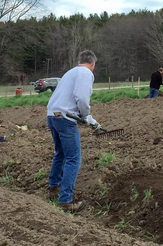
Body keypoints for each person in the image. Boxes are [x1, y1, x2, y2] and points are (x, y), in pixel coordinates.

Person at [46, 50, 99, 213]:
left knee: (60, 153)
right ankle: (65, 201)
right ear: (93, 63)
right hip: (64, 119)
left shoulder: (70, 72)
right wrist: (86, 116)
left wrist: (84, 117)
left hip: (52, 116)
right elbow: (81, 97)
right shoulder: (86, 73)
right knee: (74, 158)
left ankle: (53, 187)